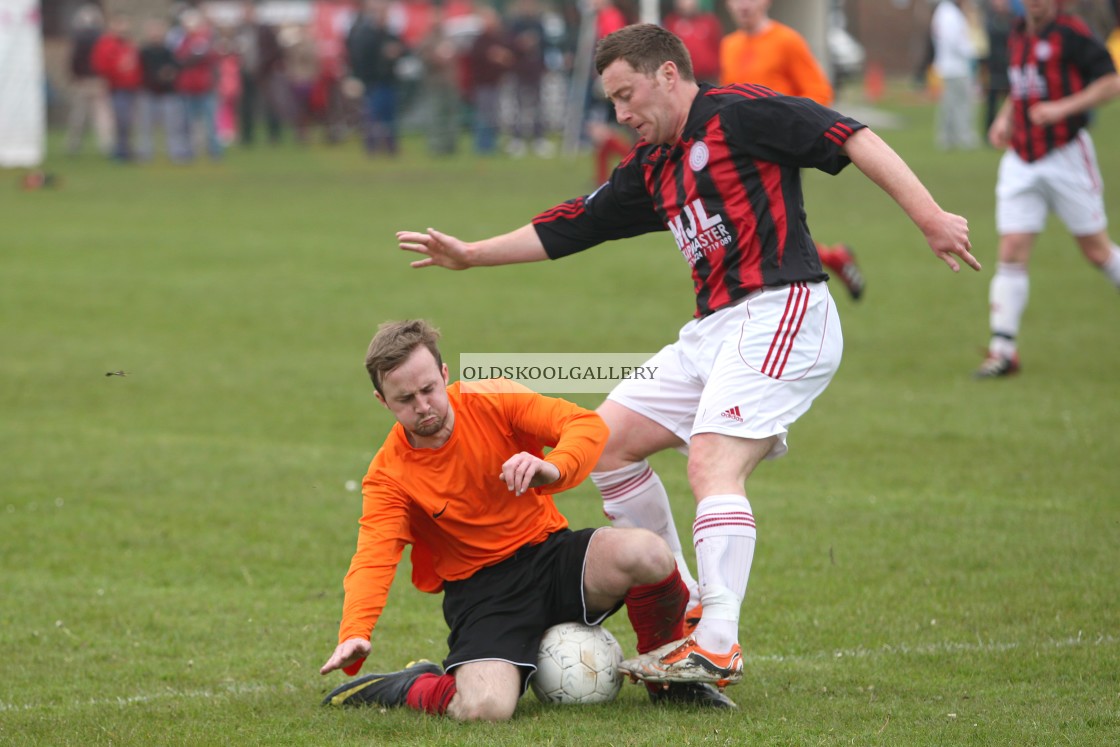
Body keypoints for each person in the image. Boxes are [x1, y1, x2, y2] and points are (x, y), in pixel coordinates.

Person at [396, 24, 979, 690]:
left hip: (783, 308)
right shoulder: (653, 165)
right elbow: (572, 223)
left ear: (668, 75)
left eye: (626, 95)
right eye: (611, 101)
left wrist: (930, 215)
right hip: (713, 330)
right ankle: (689, 599)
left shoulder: (743, 114)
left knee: (711, 461)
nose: (620, 115)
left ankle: (718, 642)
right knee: (604, 441)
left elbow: (852, 135)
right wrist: (472, 255)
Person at [320, 320, 735, 717]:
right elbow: (374, 556)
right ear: (382, 401)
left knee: (647, 552)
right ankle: (411, 684)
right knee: (483, 709)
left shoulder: (492, 400)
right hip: (484, 594)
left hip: (549, 556)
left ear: (444, 373)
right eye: (405, 400)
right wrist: (356, 630)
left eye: (429, 389)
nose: (423, 406)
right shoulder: (388, 475)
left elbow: (584, 425)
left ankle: (669, 682)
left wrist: (554, 468)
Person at [977, 0, 1120, 377]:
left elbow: (1111, 82)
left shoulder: (1072, 34)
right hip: (1021, 158)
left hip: (1066, 155)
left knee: (1097, 252)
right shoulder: (1017, 35)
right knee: (1011, 248)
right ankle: (1002, 351)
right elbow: (1021, 87)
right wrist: (1006, 119)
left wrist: (1063, 108)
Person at [719, 0, 866, 301]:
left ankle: (763, 303)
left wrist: (785, 130)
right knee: (751, 231)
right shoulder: (729, 45)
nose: (743, 5)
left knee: (760, 233)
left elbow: (818, 91)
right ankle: (833, 258)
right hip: (739, 156)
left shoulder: (786, 41)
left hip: (777, 155)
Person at [64, 3, 114, 157]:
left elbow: (74, 60)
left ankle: (73, 144)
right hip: (97, 80)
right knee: (101, 115)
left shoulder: (78, 38)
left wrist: (74, 76)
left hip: (84, 81)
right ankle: (106, 145)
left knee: (78, 115)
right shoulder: (102, 38)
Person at [931, 0, 981, 150]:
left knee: (951, 104)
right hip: (956, 67)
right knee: (961, 104)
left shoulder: (945, 11)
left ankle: (947, 138)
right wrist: (971, 52)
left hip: (950, 66)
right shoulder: (949, 13)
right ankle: (963, 137)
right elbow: (954, 41)